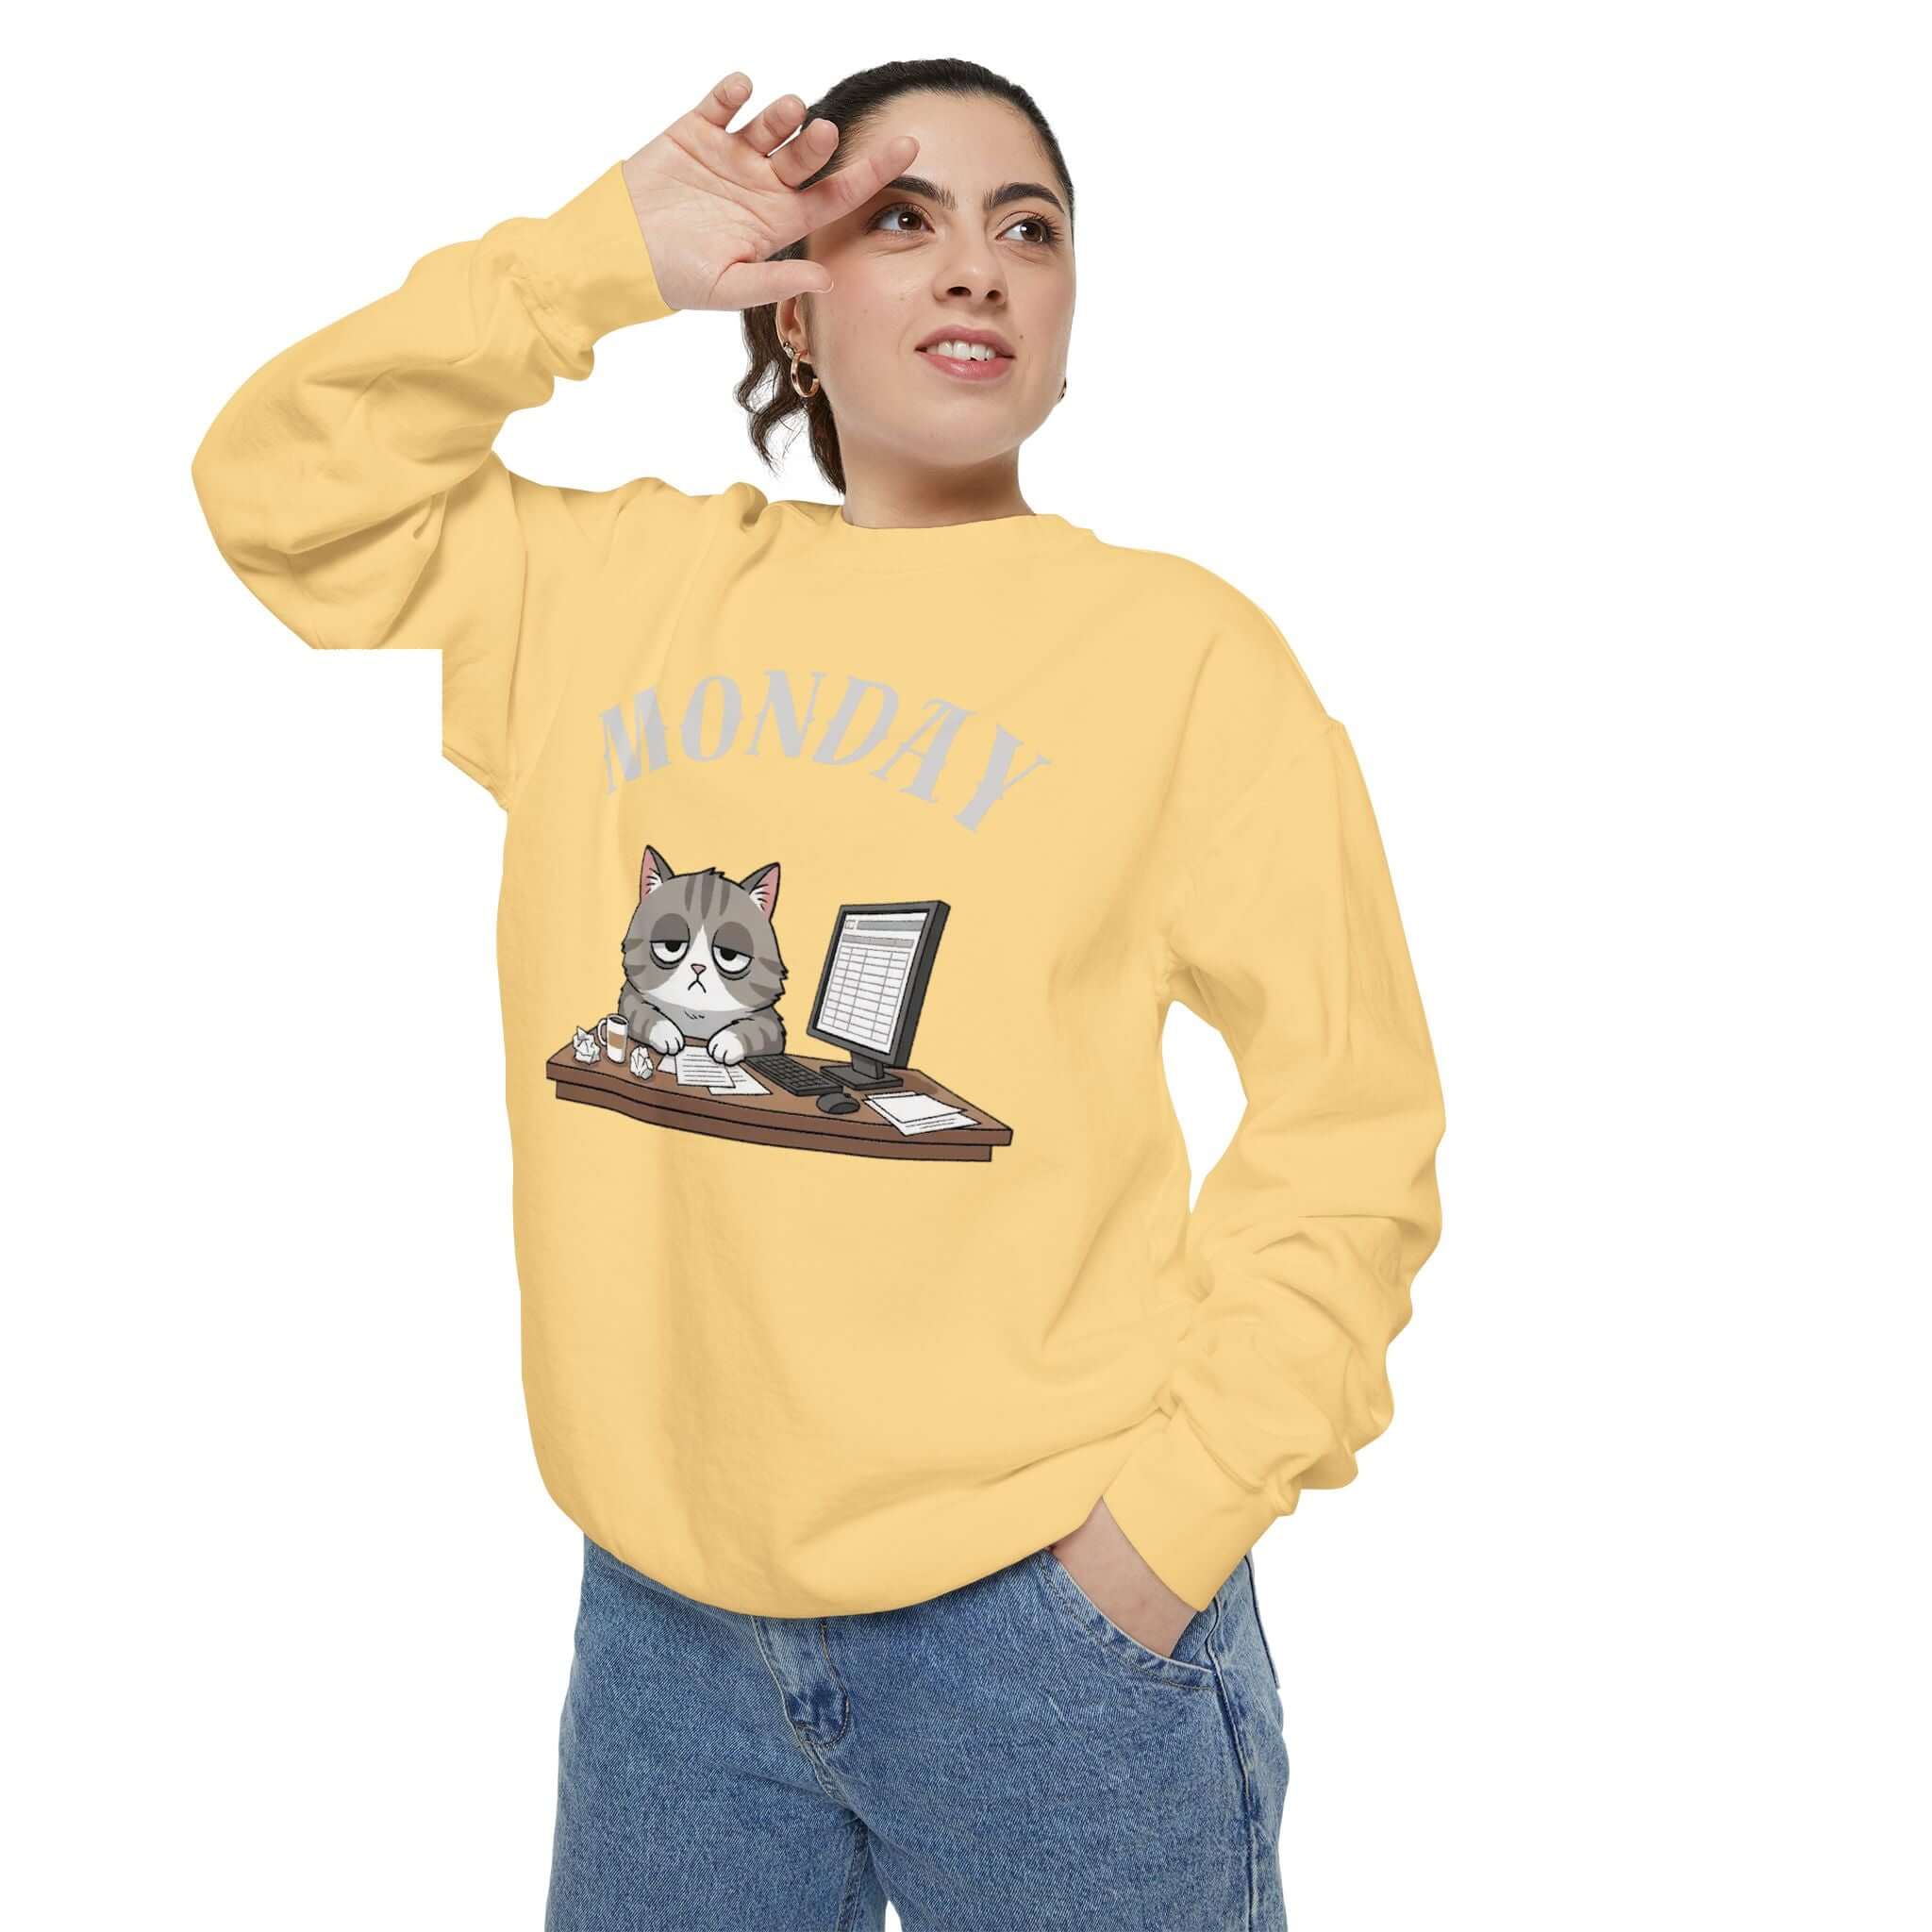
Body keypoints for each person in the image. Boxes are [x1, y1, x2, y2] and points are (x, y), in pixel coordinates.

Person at [191, 57, 1446, 1932]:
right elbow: (278, 491)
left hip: (1048, 1628)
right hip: (666, 1634)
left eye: (1029, 228)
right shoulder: (607, 594)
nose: (977, 266)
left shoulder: (1184, 657)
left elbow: (1351, 1121)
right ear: (791, 297)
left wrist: (1164, 1535)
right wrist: (596, 258)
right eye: (900, 219)